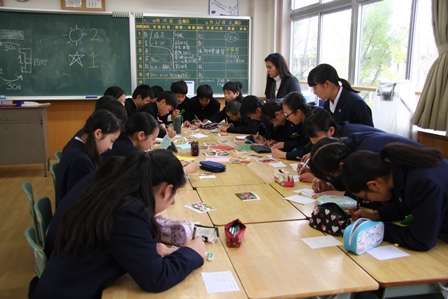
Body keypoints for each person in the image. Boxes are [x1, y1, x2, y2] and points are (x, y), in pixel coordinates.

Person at [30, 151, 206, 298]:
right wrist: (192, 253)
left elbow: (116, 242)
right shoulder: (130, 212)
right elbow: (156, 278)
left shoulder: (116, 190)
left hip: (63, 283)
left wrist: (145, 250)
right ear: (166, 190)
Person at [343, 143, 448, 251]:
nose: (369, 201)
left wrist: (376, 228)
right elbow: (405, 206)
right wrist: (375, 215)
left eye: (366, 198)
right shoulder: (399, 171)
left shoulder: (423, 183)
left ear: (374, 184)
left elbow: (421, 240)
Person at [308, 133, 425, 198]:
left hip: (421, 178)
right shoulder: (344, 148)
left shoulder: (367, 156)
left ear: (341, 164)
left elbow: (380, 193)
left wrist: (342, 193)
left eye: (330, 175)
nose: (332, 178)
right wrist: (330, 185)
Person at [56, 109, 121, 207]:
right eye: (112, 140)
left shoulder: (74, 145)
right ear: (98, 133)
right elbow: (85, 201)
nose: (110, 147)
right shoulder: (81, 161)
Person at [307, 63, 373, 126]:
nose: (314, 92)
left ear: (327, 84)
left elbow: (369, 135)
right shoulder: (327, 105)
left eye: (315, 87)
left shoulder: (356, 104)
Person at [271, 91, 312, 160]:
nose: (287, 119)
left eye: (287, 115)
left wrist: (284, 155)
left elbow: (309, 150)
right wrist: (284, 145)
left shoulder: (313, 123)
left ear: (298, 112)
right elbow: (300, 141)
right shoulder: (300, 122)